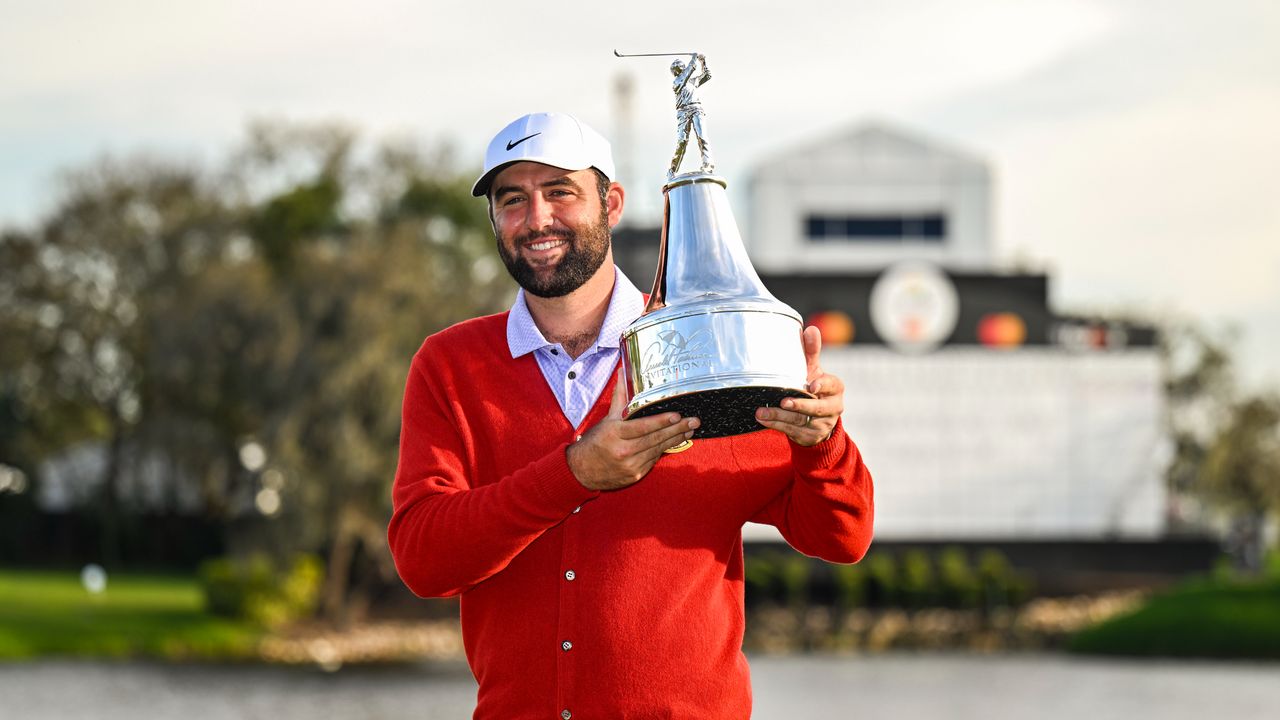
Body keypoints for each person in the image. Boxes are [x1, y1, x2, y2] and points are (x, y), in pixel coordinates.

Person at [388, 111, 874, 720]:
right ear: (494, 219)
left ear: (612, 203)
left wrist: (821, 443)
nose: (537, 218)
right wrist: (574, 474)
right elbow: (424, 562)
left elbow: (842, 537)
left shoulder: (713, 347)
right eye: (513, 199)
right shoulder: (451, 364)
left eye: (560, 191)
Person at [668, 53, 715, 178]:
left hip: (696, 108)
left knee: (702, 136)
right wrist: (694, 58)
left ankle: (708, 164)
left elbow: (707, 75)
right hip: (683, 113)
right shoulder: (677, 82)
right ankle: (672, 170)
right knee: (682, 141)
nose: (679, 71)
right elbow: (689, 71)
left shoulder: (692, 81)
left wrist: (703, 61)